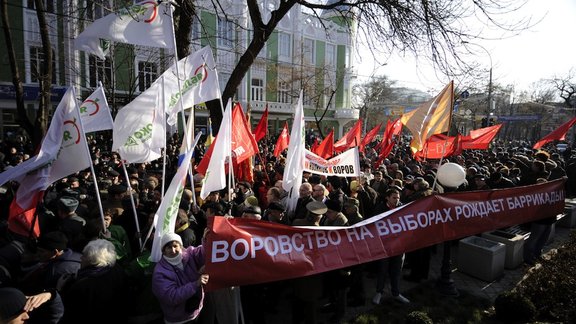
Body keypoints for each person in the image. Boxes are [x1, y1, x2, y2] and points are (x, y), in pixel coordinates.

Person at [58, 239, 129, 324]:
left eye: (84, 256)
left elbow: (71, 312)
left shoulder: (83, 286)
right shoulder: (116, 269)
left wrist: (60, 290)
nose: (80, 258)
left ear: (92, 261)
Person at [152, 232, 208, 324]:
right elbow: (171, 297)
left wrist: (206, 239)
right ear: (163, 250)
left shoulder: (189, 254)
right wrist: (195, 284)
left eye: (175, 246)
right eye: (169, 247)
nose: (173, 250)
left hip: (196, 311)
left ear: (181, 246)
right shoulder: (160, 272)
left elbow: (203, 253)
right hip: (178, 320)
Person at [372, 188, 410, 305]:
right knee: (382, 270)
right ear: (387, 198)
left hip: (399, 246)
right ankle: (379, 292)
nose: (397, 200)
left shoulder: (403, 208)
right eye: (394, 197)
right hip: (385, 246)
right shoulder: (379, 209)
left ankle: (396, 293)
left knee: (396, 270)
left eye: (398, 197)